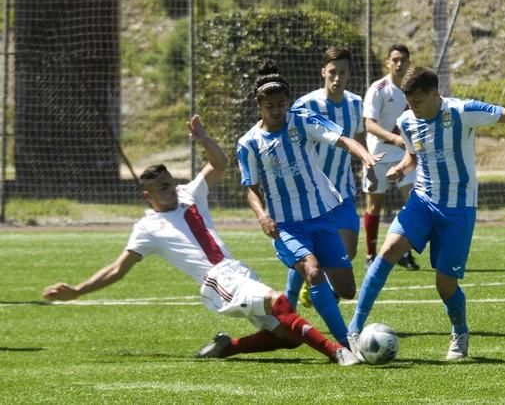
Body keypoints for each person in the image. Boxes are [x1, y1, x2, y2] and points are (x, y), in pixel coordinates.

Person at [42, 114, 359, 366]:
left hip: (237, 270)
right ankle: (337, 350)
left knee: (287, 338)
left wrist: (204, 138)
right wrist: (78, 290)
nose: (170, 189)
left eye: (170, 182)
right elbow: (117, 270)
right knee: (280, 303)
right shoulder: (148, 227)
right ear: (147, 195)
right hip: (217, 281)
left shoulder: (189, 193)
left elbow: (219, 164)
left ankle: (227, 347)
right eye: (162, 187)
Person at [347, 66, 505, 361]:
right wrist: (402, 168)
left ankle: (459, 331)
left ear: (435, 93)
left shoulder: (462, 112)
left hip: (458, 210)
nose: (413, 109)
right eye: (409, 103)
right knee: (387, 252)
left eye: (418, 102)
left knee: (445, 284)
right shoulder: (407, 121)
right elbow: (414, 154)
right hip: (422, 201)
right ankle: (354, 329)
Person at [237, 60, 383, 348]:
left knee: (347, 289)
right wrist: (262, 216)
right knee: (314, 272)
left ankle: (308, 302)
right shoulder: (249, 143)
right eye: (270, 105)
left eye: (281, 104)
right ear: (259, 104)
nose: (277, 110)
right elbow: (251, 189)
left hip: (321, 216)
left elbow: (342, 139)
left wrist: (365, 157)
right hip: (286, 225)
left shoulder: (301, 121)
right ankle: (344, 344)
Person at [284, 46, 366, 309]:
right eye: (332, 72)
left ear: (349, 74)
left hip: (342, 190)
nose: (337, 78)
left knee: (348, 251)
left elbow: (359, 138)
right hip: (312, 193)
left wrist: (366, 165)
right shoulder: (305, 105)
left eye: (342, 72)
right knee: (308, 252)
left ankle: (320, 289)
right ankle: (289, 301)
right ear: (323, 72)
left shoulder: (355, 103)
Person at [362, 44, 419, 270]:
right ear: (388, 62)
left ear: (408, 62)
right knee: (374, 205)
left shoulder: (413, 90)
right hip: (378, 155)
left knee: (414, 203)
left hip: (405, 156)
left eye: (403, 60)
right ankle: (370, 254)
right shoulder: (379, 89)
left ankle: (403, 252)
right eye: (394, 59)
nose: (399, 64)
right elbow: (369, 124)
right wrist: (394, 139)